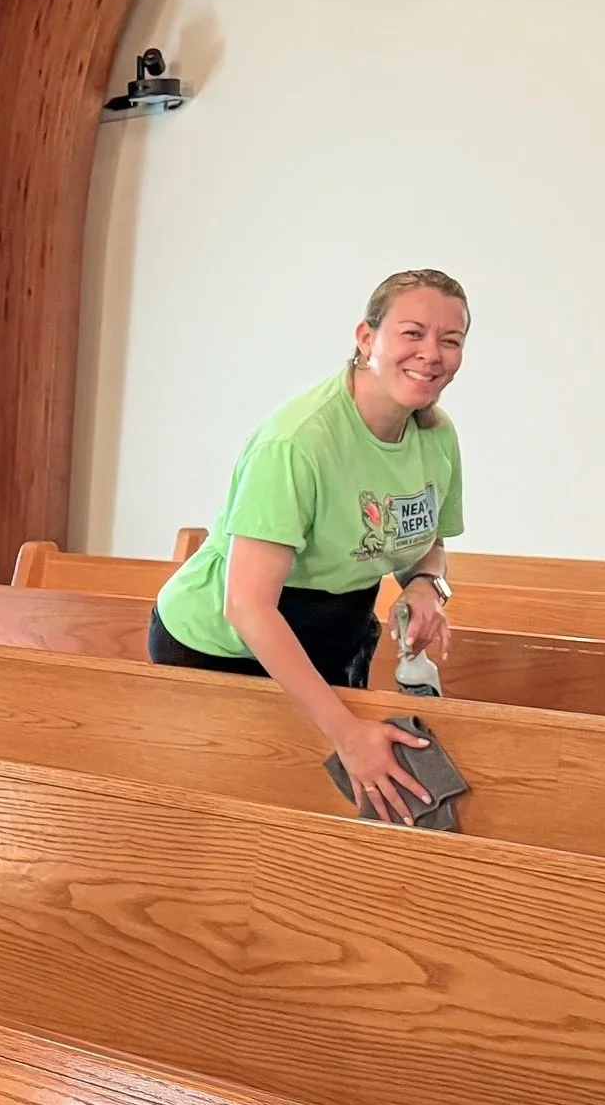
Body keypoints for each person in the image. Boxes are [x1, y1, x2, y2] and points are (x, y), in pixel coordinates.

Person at [147, 269, 469, 823]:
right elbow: (247, 605)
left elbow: (427, 541)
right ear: (367, 339)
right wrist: (344, 731)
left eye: (451, 340)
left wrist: (425, 586)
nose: (432, 354)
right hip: (224, 646)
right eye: (413, 333)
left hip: (332, 631)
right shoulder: (298, 442)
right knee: (247, 828)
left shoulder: (436, 437)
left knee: (326, 818)